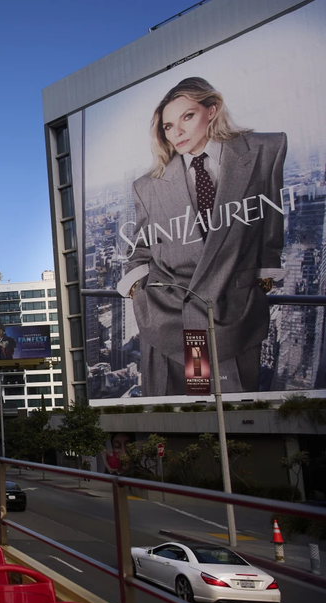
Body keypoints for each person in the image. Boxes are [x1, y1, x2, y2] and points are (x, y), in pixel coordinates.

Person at [117, 77, 286, 396]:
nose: (176, 132)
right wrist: (141, 290)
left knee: (235, 423)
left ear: (213, 109)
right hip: (168, 318)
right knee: (178, 421)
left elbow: (271, 220)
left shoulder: (265, 150)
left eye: (187, 116)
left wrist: (264, 273)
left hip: (233, 313)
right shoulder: (148, 185)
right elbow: (140, 249)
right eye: (167, 126)